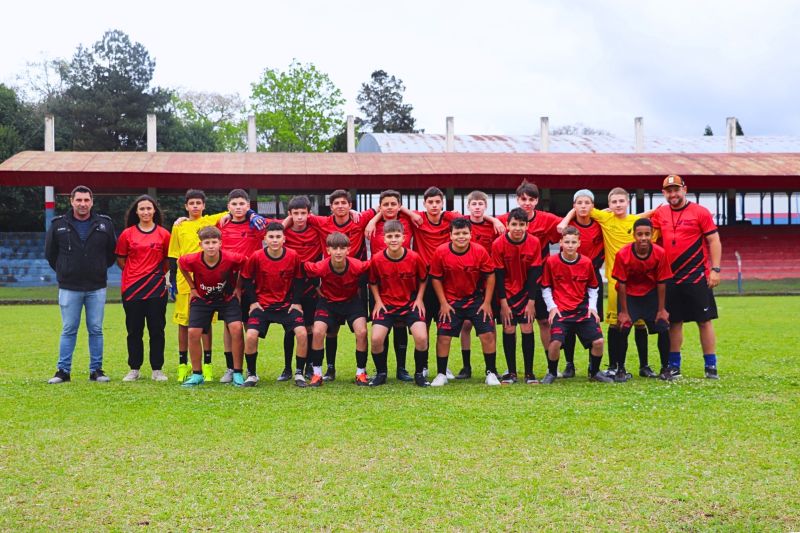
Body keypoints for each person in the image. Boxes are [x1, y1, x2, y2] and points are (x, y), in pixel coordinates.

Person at [558, 187, 657, 379]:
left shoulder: (636, 222)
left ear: (627, 202)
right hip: (615, 283)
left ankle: (644, 365)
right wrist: (566, 218)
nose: (618, 205)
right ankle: (613, 366)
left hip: (640, 283)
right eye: (614, 202)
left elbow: (649, 219)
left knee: (639, 325)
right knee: (615, 325)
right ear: (609, 206)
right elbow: (581, 207)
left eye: (622, 201)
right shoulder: (604, 219)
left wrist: (652, 211)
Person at [650, 174, 722, 379]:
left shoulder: (700, 212)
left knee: (704, 320)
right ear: (664, 193)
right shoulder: (660, 213)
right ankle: (674, 366)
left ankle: (711, 366)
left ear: (685, 189)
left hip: (695, 274)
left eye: (676, 189)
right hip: (670, 276)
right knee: (674, 321)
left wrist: (715, 269)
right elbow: (641, 224)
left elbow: (714, 241)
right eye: (668, 191)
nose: (673, 194)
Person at [45, 185, 117, 384]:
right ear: (71, 201)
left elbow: (111, 253)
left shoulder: (105, 224)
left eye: (86, 200)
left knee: (96, 329)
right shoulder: (58, 224)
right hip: (69, 286)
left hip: (96, 286)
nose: (83, 204)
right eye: (79, 200)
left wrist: (98, 267)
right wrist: (65, 270)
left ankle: (96, 370)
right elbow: (50, 254)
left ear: (92, 202)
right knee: (69, 329)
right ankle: (62, 371)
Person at [539, 227, 613, 384]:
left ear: (579, 243)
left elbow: (593, 287)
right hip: (561, 311)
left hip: (582, 310)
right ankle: (552, 372)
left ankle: (594, 372)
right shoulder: (551, 262)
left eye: (573, 242)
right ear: (561, 243)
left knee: (599, 342)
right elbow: (545, 287)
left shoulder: (586, 263)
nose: (570, 245)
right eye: (567, 242)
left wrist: (592, 307)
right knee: (555, 343)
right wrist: (552, 307)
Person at [496, 180, 561, 358]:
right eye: (523, 199)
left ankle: (551, 365)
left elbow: (570, 228)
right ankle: (510, 369)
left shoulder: (547, 219)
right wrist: (492, 220)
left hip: (538, 279)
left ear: (537, 201)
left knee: (543, 321)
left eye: (531, 199)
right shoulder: (507, 218)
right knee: (510, 324)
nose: (527, 203)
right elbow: (475, 220)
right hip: (512, 281)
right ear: (517, 200)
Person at [429, 218, 497, 386]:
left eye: (465, 233)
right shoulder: (441, 252)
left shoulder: (480, 251)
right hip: (451, 302)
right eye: (457, 233)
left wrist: (487, 302)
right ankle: (441, 373)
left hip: (475, 301)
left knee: (487, 334)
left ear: (471, 235)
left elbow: (490, 276)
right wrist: (443, 303)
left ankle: (491, 373)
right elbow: (436, 279)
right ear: (450, 235)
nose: (461, 236)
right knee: (443, 337)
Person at [178, 226, 246, 387]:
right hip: (202, 299)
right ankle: (197, 374)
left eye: (214, 242)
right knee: (193, 332)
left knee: (236, 328)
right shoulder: (192, 259)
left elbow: (245, 263)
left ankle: (237, 372)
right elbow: (180, 263)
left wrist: (237, 287)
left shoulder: (231, 258)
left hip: (227, 298)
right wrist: (193, 287)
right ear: (200, 245)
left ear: (220, 243)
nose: (210, 246)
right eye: (207, 242)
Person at [241, 222, 308, 387]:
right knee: (250, 336)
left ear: (284, 239)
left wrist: (296, 302)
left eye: (278, 237)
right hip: (263, 306)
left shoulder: (293, 255)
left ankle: (299, 373)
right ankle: (252, 374)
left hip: (286, 306)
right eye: (271, 237)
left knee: (302, 333)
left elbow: (299, 279)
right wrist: (253, 302)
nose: (275, 240)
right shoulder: (257, 256)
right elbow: (246, 279)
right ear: (265, 239)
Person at [302, 232, 371, 387]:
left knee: (362, 332)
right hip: (328, 303)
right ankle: (317, 374)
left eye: (342, 248)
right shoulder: (320, 266)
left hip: (352, 303)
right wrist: (317, 288)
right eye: (334, 248)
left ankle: (361, 373)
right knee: (318, 331)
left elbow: (373, 265)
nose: (338, 251)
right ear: (328, 250)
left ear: (349, 250)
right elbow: (304, 268)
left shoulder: (357, 265)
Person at [368, 220, 430, 387]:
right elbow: (372, 282)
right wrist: (378, 301)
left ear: (404, 238)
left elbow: (424, 279)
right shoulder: (377, 259)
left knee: (422, 337)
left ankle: (419, 375)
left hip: (410, 305)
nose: (393, 239)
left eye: (397, 236)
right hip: (386, 305)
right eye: (390, 236)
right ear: (384, 239)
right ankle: (381, 373)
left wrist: (419, 299)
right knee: (376, 339)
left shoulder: (414, 257)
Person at [115, 195, 171, 382]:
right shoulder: (127, 234)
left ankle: (157, 369)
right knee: (134, 330)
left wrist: (153, 276)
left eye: (149, 208)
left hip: (156, 289)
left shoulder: (164, 234)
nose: (146, 212)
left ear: (154, 210)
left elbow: (167, 261)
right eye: (142, 209)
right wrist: (136, 274)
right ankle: (134, 368)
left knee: (157, 329)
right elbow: (121, 260)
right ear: (136, 212)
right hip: (132, 288)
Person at [611, 218, 673, 381]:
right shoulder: (623, 254)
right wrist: (624, 312)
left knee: (663, 327)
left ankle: (665, 369)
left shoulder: (660, 253)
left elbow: (661, 282)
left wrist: (661, 309)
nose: (643, 238)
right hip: (629, 296)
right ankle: (620, 369)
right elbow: (621, 284)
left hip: (651, 296)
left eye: (647, 234)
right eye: (640, 234)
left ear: (652, 234)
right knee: (623, 328)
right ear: (634, 235)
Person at [217, 189, 268, 384]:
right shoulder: (222, 224)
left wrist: (255, 215)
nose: (238, 207)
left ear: (248, 206)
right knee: (229, 326)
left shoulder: (257, 224)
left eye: (242, 204)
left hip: (251, 283)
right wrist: (181, 220)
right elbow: (198, 223)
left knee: (250, 325)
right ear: (228, 206)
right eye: (234, 204)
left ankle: (250, 369)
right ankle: (230, 368)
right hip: (228, 282)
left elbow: (281, 226)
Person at [457, 189, 506, 379]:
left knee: (489, 324)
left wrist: (493, 220)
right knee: (466, 325)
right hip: (467, 279)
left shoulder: (494, 226)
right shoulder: (461, 224)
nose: (477, 207)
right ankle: (466, 366)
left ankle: (491, 367)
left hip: (488, 280)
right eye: (474, 204)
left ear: (486, 207)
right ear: (468, 207)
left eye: (480, 204)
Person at [491, 208, 543, 384]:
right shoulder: (498, 244)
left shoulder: (534, 242)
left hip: (526, 293)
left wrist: (531, 302)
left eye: (522, 224)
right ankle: (511, 372)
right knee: (509, 329)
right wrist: (503, 304)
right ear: (507, 225)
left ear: (527, 226)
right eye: (514, 224)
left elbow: (535, 274)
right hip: (506, 293)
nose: (517, 228)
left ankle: (529, 373)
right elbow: (498, 276)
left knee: (527, 328)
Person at [561, 189, 605, 378]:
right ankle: (569, 364)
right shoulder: (567, 226)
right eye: (579, 203)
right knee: (569, 323)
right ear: (574, 206)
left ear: (593, 206)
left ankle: (592, 366)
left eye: (587, 203)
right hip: (571, 281)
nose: (583, 206)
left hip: (592, 277)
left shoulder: (601, 225)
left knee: (593, 321)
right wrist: (568, 216)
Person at [281, 195, 324, 381]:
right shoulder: (284, 231)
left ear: (309, 214)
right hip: (290, 286)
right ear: (289, 214)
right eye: (295, 213)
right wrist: (285, 223)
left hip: (312, 286)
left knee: (310, 327)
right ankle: (287, 369)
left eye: (303, 213)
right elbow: (266, 231)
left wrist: (353, 211)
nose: (300, 217)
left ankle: (307, 367)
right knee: (290, 328)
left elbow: (334, 223)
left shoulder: (317, 229)